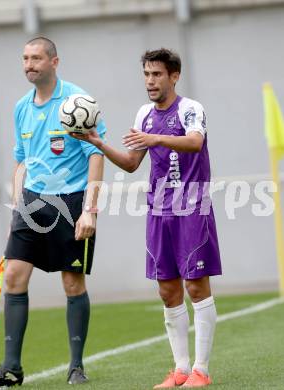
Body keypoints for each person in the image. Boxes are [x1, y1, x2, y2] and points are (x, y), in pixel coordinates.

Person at [72, 48, 222, 388]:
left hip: (191, 208)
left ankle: (202, 369)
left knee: (196, 286)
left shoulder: (190, 109)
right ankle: (181, 369)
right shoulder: (144, 114)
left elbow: (195, 143)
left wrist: (154, 138)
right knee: (168, 291)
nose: (150, 81)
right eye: (146, 74)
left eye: (156, 74)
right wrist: (97, 143)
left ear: (174, 76)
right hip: (159, 211)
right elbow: (130, 162)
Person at [0, 37, 105, 388]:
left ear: (54, 62)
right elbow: (21, 160)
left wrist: (89, 210)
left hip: (72, 202)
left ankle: (76, 366)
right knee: (14, 277)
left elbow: (96, 154)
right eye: (25, 58)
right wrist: (17, 209)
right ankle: (11, 368)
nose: (28, 64)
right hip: (31, 202)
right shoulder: (21, 108)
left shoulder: (78, 101)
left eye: (36, 58)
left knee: (72, 282)